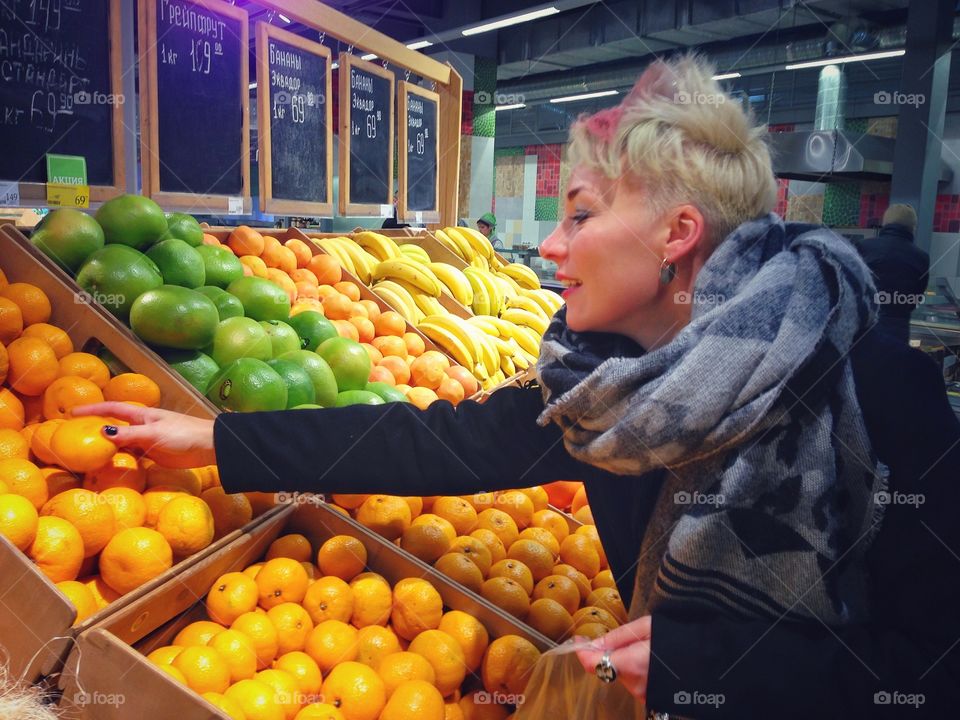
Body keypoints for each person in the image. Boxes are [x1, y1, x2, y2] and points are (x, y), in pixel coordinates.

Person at [76, 56, 960, 718]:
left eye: (580, 214)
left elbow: (934, 665)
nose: (550, 245)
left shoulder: (879, 394)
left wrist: (716, 665)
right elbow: (439, 441)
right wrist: (215, 440)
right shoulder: (604, 385)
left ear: (675, 236)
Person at [855, 203, 930, 343]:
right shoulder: (921, 257)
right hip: (898, 330)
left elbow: (852, 285)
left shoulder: (864, 247)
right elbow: (916, 297)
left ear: (884, 223)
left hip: (863, 326)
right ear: (913, 228)